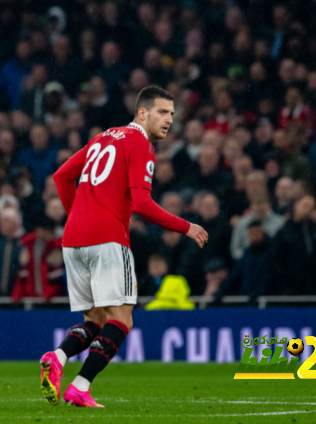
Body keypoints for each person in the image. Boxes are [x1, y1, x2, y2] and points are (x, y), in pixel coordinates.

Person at [41, 86, 207, 407]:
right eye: (162, 112)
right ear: (142, 113)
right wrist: (186, 226)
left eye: (172, 114)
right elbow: (142, 203)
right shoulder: (141, 144)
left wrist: (77, 214)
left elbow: (61, 177)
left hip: (73, 239)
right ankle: (80, 386)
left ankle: (58, 355)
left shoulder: (103, 137)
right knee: (121, 321)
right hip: (108, 237)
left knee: (95, 321)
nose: (169, 119)